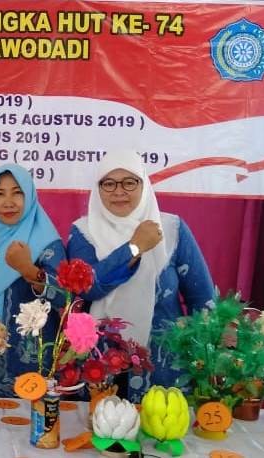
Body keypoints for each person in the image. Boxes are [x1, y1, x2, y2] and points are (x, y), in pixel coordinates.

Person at [67, 150, 215, 400]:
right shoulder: (83, 232)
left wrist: (206, 360)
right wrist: (134, 248)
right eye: (109, 183)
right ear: (98, 188)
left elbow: (202, 299)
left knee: (161, 431)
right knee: (100, 433)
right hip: (101, 367)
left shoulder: (172, 229)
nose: (119, 191)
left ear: (144, 184)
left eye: (129, 182)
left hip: (163, 365)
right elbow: (89, 286)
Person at [0, 164, 67, 397]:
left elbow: (66, 298)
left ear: (30, 196)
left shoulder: (47, 243)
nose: (8, 202)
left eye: (17, 192)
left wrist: (29, 270)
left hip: (30, 364)